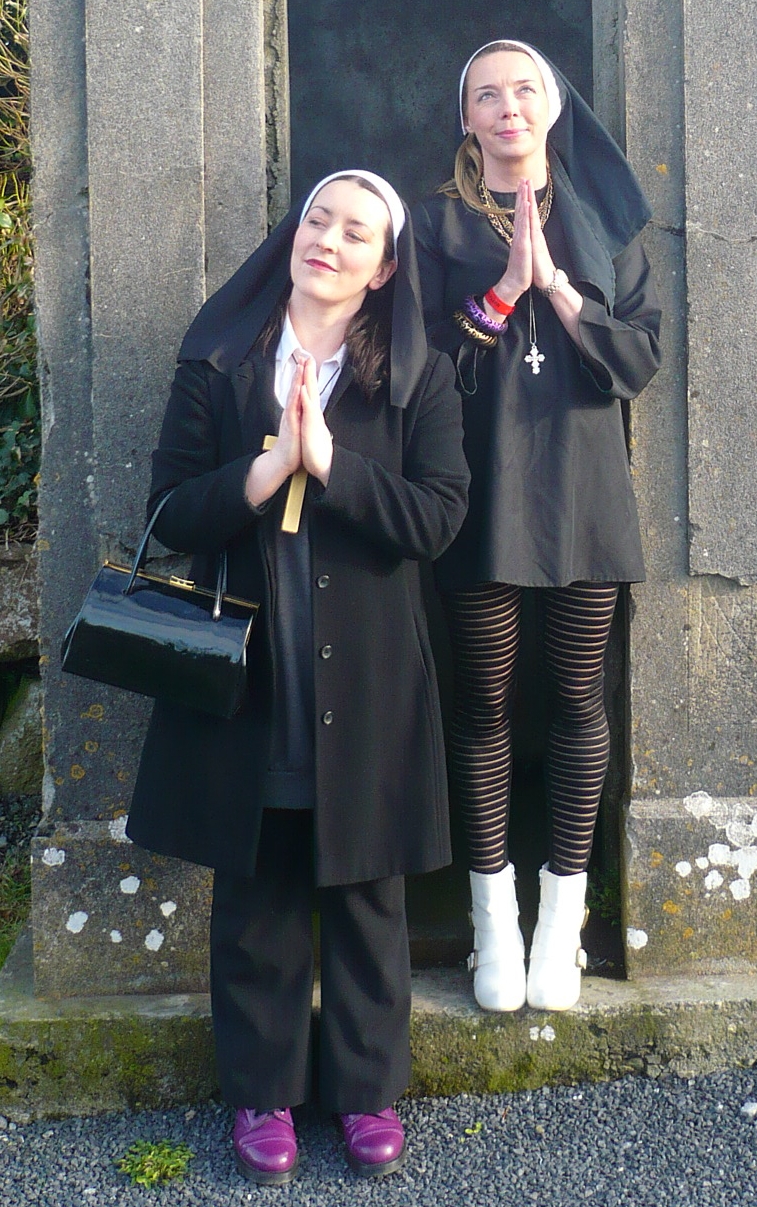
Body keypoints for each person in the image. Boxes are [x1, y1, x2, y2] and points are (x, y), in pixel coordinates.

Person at [126, 170, 469, 1184]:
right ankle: (262, 1093)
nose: (328, 240)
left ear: (386, 266)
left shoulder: (418, 371)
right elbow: (170, 514)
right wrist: (263, 473)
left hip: (365, 671)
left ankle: (367, 1093)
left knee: (368, 889)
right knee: (261, 887)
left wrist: (334, 465)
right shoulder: (221, 356)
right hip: (253, 671)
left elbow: (439, 517)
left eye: (356, 232)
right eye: (318, 219)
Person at [412, 41, 661, 1014]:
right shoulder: (432, 226)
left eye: (524, 90)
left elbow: (638, 357)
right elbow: (422, 373)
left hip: (584, 488)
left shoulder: (609, 220)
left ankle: (561, 923)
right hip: (479, 489)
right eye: (487, 94)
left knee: (578, 695)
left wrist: (557, 288)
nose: (507, 106)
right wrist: (503, 291)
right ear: (465, 118)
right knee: (482, 699)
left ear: (552, 107)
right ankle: (494, 926)